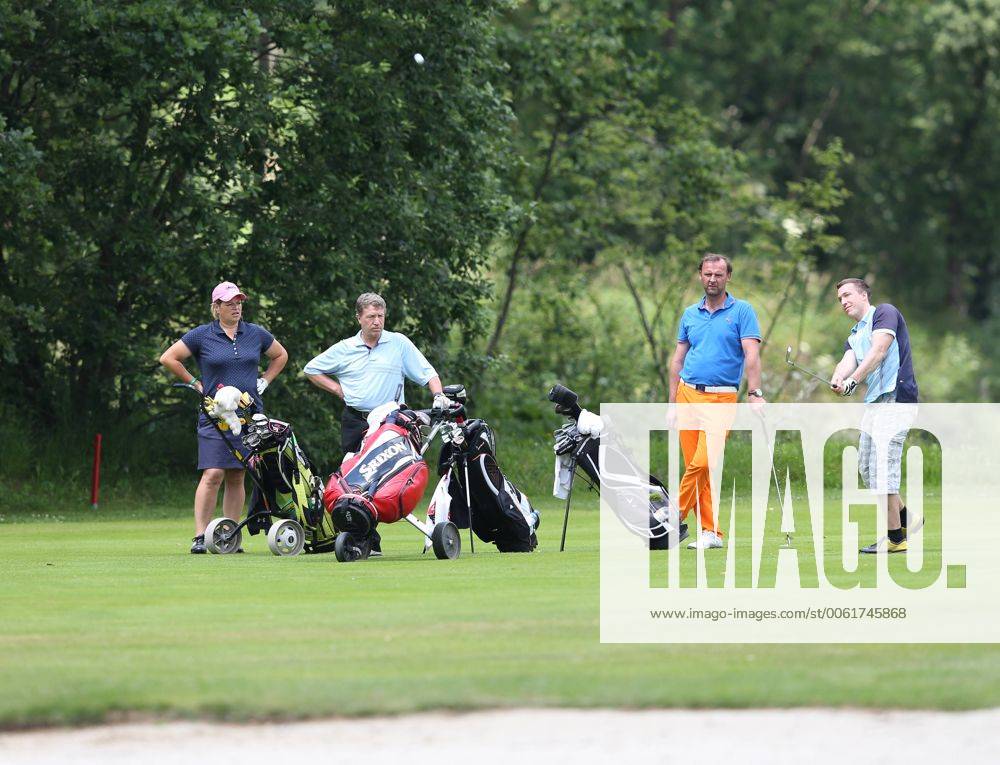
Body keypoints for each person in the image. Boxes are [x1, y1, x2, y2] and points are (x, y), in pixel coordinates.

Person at [304, 292, 447, 555]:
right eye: (371, 316)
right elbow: (311, 369)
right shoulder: (345, 348)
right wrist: (338, 390)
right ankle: (366, 538)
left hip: (389, 424)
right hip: (355, 420)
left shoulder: (398, 343)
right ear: (359, 318)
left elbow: (428, 373)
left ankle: (367, 535)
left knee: (382, 480)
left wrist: (438, 396)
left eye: (380, 316)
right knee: (354, 480)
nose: (376, 321)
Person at [160, 281, 288, 553]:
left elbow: (280, 355)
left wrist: (265, 380)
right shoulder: (202, 335)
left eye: (239, 302)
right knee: (213, 473)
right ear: (216, 307)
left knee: (237, 475)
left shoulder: (254, 333)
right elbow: (169, 358)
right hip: (215, 413)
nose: (236, 307)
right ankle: (200, 535)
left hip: (250, 414)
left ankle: (228, 534)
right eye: (230, 303)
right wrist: (195, 382)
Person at [668, 254, 765, 550]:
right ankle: (710, 532)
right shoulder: (690, 313)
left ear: (728, 277)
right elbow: (678, 360)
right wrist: (672, 403)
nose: (713, 279)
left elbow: (751, 354)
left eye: (719, 274)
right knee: (698, 468)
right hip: (687, 394)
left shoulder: (742, 311)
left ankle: (673, 516)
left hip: (722, 397)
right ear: (700, 275)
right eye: (708, 274)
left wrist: (754, 392)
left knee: (702, 462)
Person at [830, 278, 918, 554]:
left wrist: (853, 381)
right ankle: (908, 521)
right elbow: (849, 359)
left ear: (864, 294)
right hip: (874, 404)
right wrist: (838, 377)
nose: (843, 301)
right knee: (868, 469)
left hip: (895, 398)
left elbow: (878, 350)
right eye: (840, 298)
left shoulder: (884, 313)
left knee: (883, 467)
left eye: (848, 295)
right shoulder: (855, 332)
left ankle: (896, 538)